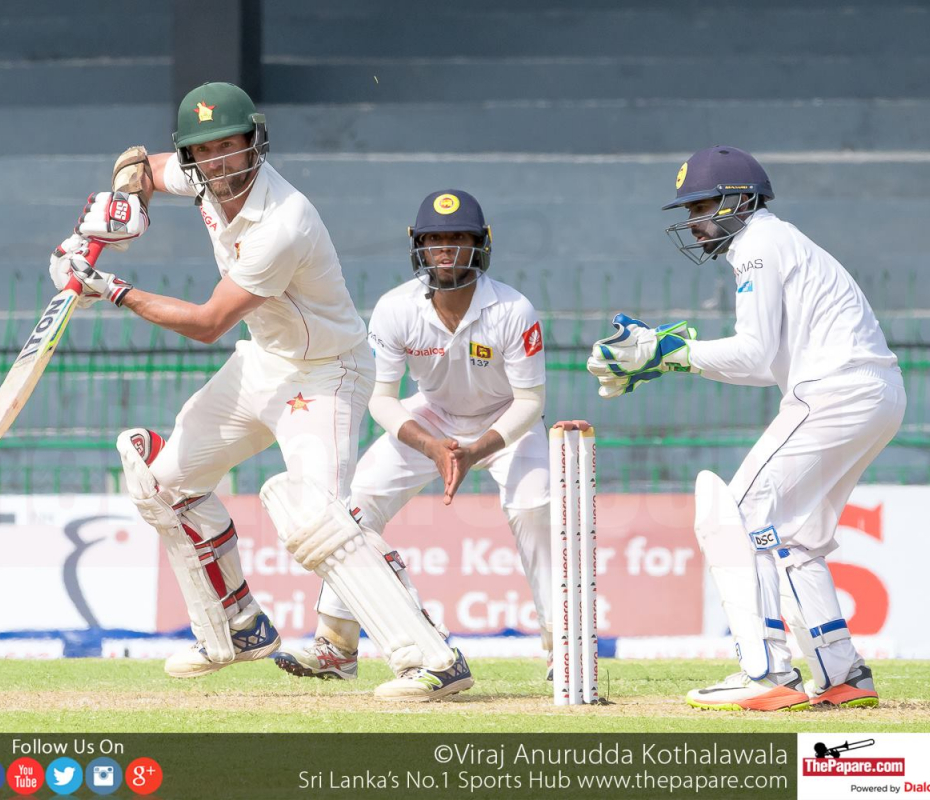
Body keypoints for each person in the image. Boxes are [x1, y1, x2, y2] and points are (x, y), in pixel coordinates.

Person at [47, 82, 465, 695]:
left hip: (327, 372)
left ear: (254, 143)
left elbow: (208, 323)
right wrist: (121, 200)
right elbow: (144, 165)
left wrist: (109, 287)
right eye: (204, 151)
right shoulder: (204, 177)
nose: (219, 162)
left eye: (229, 146)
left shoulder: (283, 222)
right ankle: (237, 626)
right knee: (161, 483)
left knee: (318, 520)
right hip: (265, 362)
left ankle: (432, 658)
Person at [587, 145, 905, 710]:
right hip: (875, 393)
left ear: (739, 200)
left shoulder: (756, 245)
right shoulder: (779, 241)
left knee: (736, 516)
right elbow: (764, 366)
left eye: (700, 206)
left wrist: (669, 351)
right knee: (798, 539)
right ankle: (841, 673)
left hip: (833, 392)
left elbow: (754, 353)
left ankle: (766, 673)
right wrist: (672, 359)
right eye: (689, 210)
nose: (692, 222)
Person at [274, 190, 552, 693]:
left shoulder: (514, 309)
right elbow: (382, 399)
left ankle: (562, 647)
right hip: (433, 418)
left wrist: (476, 449)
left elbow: (530, 401)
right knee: (355, 507)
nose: (446, 249)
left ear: (481, 244)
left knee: (535, 510)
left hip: (505, 422)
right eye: (434, 239)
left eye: (458, 238)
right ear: (418, 246)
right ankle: (337, 643)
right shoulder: (396, 307)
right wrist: (433, 446)